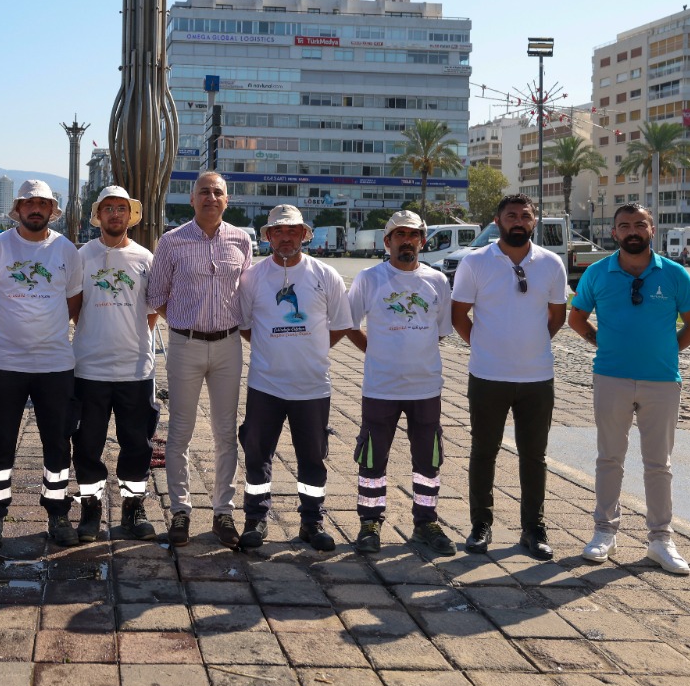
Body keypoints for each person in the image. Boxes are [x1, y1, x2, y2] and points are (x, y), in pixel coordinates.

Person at [567, 201, 690, 575]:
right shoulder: (597, 274)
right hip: (610, 377)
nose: (632, 231)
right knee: (609, 458)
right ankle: (604, 533)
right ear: (614, 233)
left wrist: (664, 350)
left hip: (661, 382)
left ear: (652, 230)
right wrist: (602, 343)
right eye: (624, 225)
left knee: (658, 464)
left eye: (639, 224)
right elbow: (576, 317)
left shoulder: (675, 275)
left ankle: (661, 539)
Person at [451, 193, 568, 560]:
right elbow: (458, 315)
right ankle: (480, 526)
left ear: (535, 221)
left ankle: (534, 529)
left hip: (537, 378)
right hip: (487, 375)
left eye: (525, 216)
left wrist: (531, 345)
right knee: (483, 452)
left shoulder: (551, 263)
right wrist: (485, 346)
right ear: (498, 220)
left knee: (535, 456)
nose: (518, 221)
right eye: (511, 215)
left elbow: (557, 316)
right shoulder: (475, 262)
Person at [146, 171, 253, 549]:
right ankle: (180, 510)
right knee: (180, 431)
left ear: (227, 200)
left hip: (227, 346)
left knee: (226, 432)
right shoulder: (172, 243)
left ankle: (223, 511)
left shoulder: (242, 240)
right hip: (185, 345)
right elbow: (157, 294)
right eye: (204, 192)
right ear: (191, 199)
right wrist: (183, 319)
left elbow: (245, 291)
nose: (211, 197)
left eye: (218, 192)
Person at [236, 205, 352, 551]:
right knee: (257, 455)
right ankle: (256, 519)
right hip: (265, 385)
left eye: (293, 231)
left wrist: (311, 348)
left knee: (312, 459)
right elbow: (245, 326)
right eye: (279, 232)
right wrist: (274, 348)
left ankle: (312, 521)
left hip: (312, 386)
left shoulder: (325, 274)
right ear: (268, 236)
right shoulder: (252, 278)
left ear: (304, 234)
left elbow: (341, 323)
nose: (286, 238)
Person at [0, 180, 83, 549]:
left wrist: (44, 329)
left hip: (55, 363)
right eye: (28, 203)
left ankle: (57, 512)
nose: (35, 209)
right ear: (18, 209)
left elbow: (73, 302)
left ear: (52, 210)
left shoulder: (67, 250)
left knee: (58, 442)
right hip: (6, 363)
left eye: (43, 203)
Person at [345, 210, 455, 556]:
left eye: (413, 235)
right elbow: (350, 324)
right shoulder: (369, 278)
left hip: (425, 387)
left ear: (422, 241)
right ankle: (370, 521)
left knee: (428, 459)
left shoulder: (437, 281)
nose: (407, 241)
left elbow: (439, 331)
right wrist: (376, 351)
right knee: (373, 459)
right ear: (387, 241)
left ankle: (426, 521)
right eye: (400, 235)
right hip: (381, 387)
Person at [70, 185, 161, 542]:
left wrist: (129, 338)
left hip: (136, 369)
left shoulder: (144, 258)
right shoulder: (82, 256)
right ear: (99, 215)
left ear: (130, 216)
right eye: (108, 208)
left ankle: (132, 507)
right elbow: (74, 308)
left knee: (137, 443)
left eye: (121, 208)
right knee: (88, 443)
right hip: (89, 368)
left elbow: (151, 314)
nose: (115, 214)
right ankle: (90, 509)